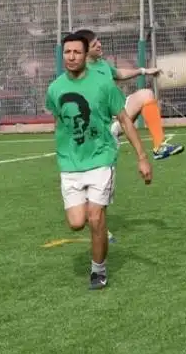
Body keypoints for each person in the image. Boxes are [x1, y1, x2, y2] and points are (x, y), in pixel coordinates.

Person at [46, 33, 153, 290]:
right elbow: (58, 121)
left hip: (102, 158)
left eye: (76, 52)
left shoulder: (104, 85)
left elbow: (125, 120)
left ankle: (98, 270)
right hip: (70, 164)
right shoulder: (55, 88)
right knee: (76, 223)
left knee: (95, 218)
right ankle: (100, 234)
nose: (71, 57)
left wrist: (142, 157)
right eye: (67, 52)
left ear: (85, 56)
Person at [73, 29, 184, 161]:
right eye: (94, 45)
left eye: (98, 41)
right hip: (105, 122)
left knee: (146, 94)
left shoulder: (101, 63)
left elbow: (119, 74)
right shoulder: (82, 72)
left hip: (118, 111)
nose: (99, 45)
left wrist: (143, 71)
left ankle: (160, 147)